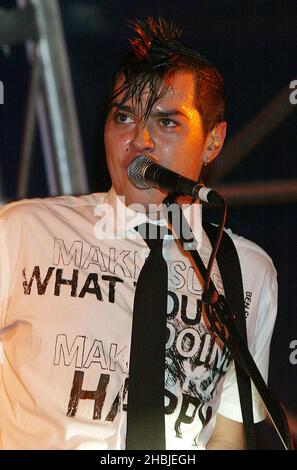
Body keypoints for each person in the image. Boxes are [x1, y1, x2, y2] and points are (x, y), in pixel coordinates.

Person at [0, 17, 277, 450]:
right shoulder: (21, 232)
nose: (139, 140)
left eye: (167, 123)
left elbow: (227, 433)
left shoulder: (246, 271)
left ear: (213, 141)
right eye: (124, 117)